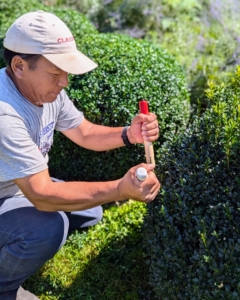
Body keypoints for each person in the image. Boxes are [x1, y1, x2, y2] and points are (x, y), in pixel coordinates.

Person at [0, 10, 161, 300]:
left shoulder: (46, 91)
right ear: (19, 65)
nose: (64, 82)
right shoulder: (5, 113)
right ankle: (4, 286)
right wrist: (119, 189)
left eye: (66, 72)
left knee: (91, 211)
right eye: (55, 72)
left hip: (17, 187)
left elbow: (84, 133)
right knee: (50, 226)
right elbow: (41, 194)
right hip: (14, 193)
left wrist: (129, 134)